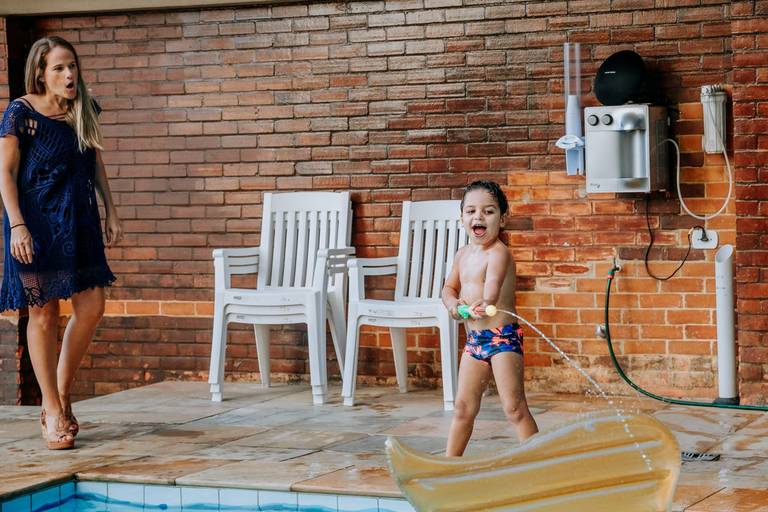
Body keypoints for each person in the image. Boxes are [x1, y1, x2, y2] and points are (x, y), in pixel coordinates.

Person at [0, 36, 121, 449]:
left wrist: (111, 210)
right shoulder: (21, 112)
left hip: (80, 221)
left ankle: (63, 393)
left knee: (92, 305)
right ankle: (52, 410)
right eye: (59, 68)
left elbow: (96, 161)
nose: (70, 75)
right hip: (34, 225)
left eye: (72, 66)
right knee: (43, 314)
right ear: (40, 73)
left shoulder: (82, 108)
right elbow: (5, 173)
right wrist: (17, 225)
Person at [442, 180, 538, 456]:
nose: (478, 217)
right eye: (471, 211)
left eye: (488, 211)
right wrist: (453, 305)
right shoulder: (462, 255)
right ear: (462, 218)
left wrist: (485, 302)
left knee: (514, 407)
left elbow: (492, 286)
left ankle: (539, 461)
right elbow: (449, 289)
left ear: (502, 219)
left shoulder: (499, 253)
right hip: (475, 341)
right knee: (463, 408)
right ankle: (450, 464)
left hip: (502, 338)